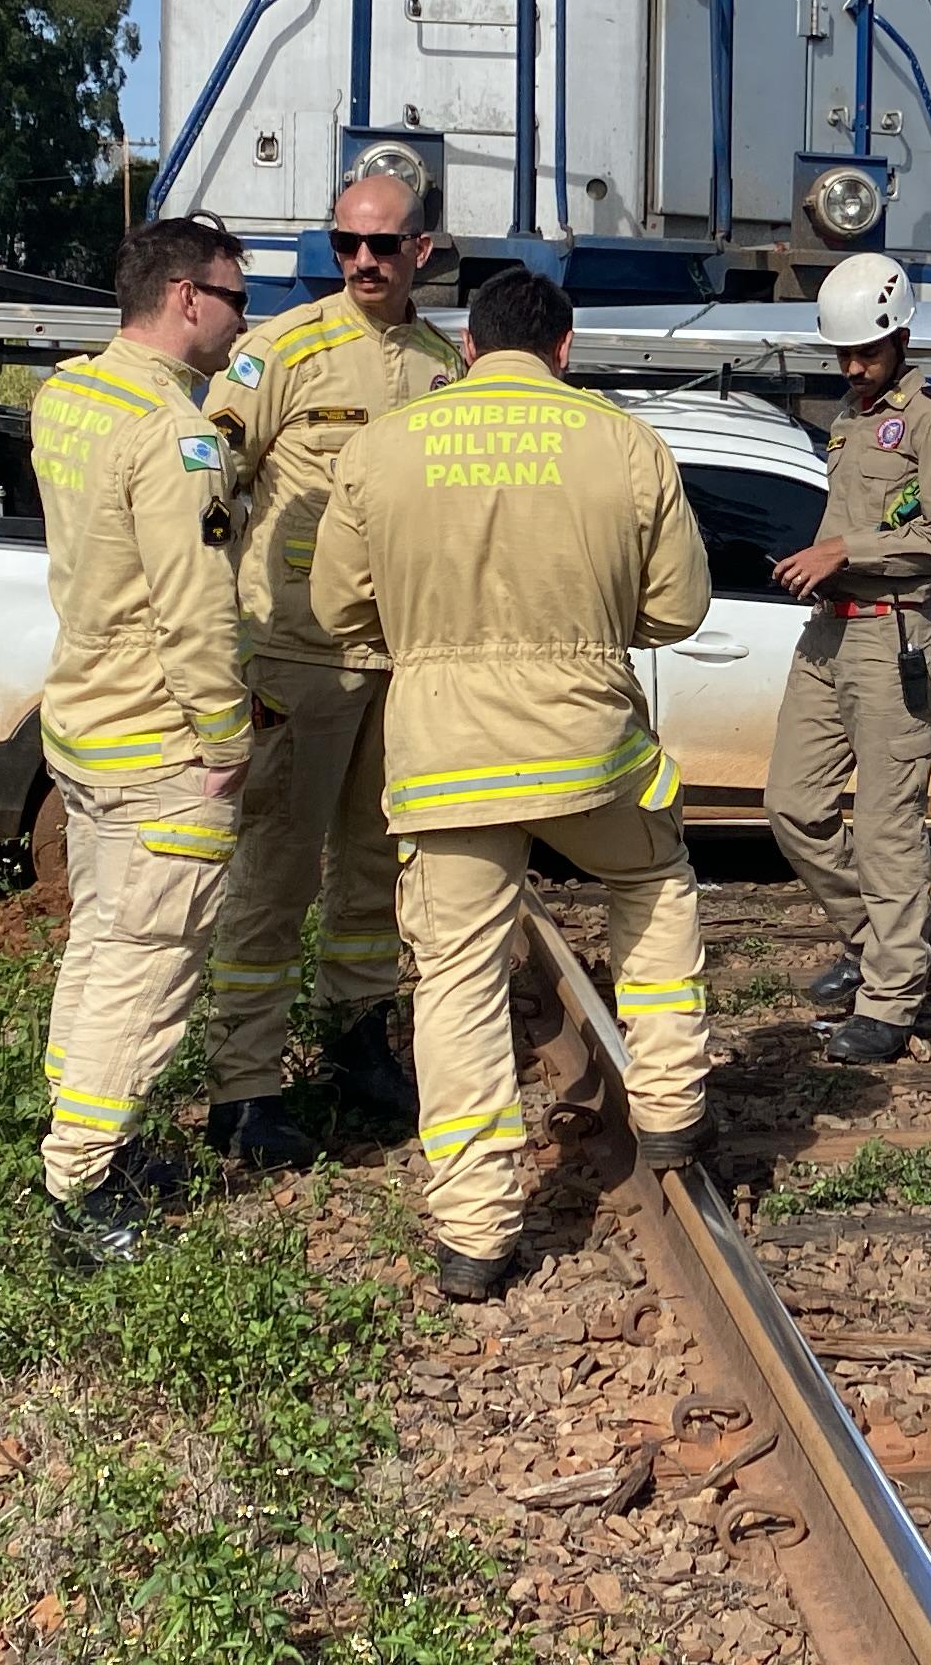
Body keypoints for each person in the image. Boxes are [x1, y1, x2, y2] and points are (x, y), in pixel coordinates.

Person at [309, 266, 717, 1303]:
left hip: (445, 756)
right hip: (589, 744)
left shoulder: (381, 449)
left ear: (468, 348)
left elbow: (339, 613)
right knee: (654, 876)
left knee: (455, 979)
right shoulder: (625, 444)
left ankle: (475, 1235)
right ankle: (669, 1104)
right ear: (566, 349)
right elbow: (678, 610)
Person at [199, 173, 460, 1168]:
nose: (364, 261)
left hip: (402, 661)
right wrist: (209, 609)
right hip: (298, 658)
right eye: (347, 242)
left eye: (384, 246)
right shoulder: (283, 350)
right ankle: (246, 1088)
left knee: (373, 869)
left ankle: (357, 1040)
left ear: (421, 250)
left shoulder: (443, 366)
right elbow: (210, 481)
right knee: (271, 872)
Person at [33, 215, 257, 1264]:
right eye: (235, 297)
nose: (240, 319)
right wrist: (227, 741)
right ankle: (83, 1187)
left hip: (83, 724)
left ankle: (81, 1145)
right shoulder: (176, 434)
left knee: (99, 945)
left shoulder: (70, 394)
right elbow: (196, 608)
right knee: (150, 962)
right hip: (159, 741)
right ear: (185, 298)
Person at [772, 253, 931, 1064]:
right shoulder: (851, 417)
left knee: (887, 826)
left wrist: (844, 551)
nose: (853, 368)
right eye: (842, 355)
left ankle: (893, 999)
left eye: (866, 352)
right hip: (829, 631)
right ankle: (868, 938)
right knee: (792, 805)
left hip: (892, 636)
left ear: (901, 336)